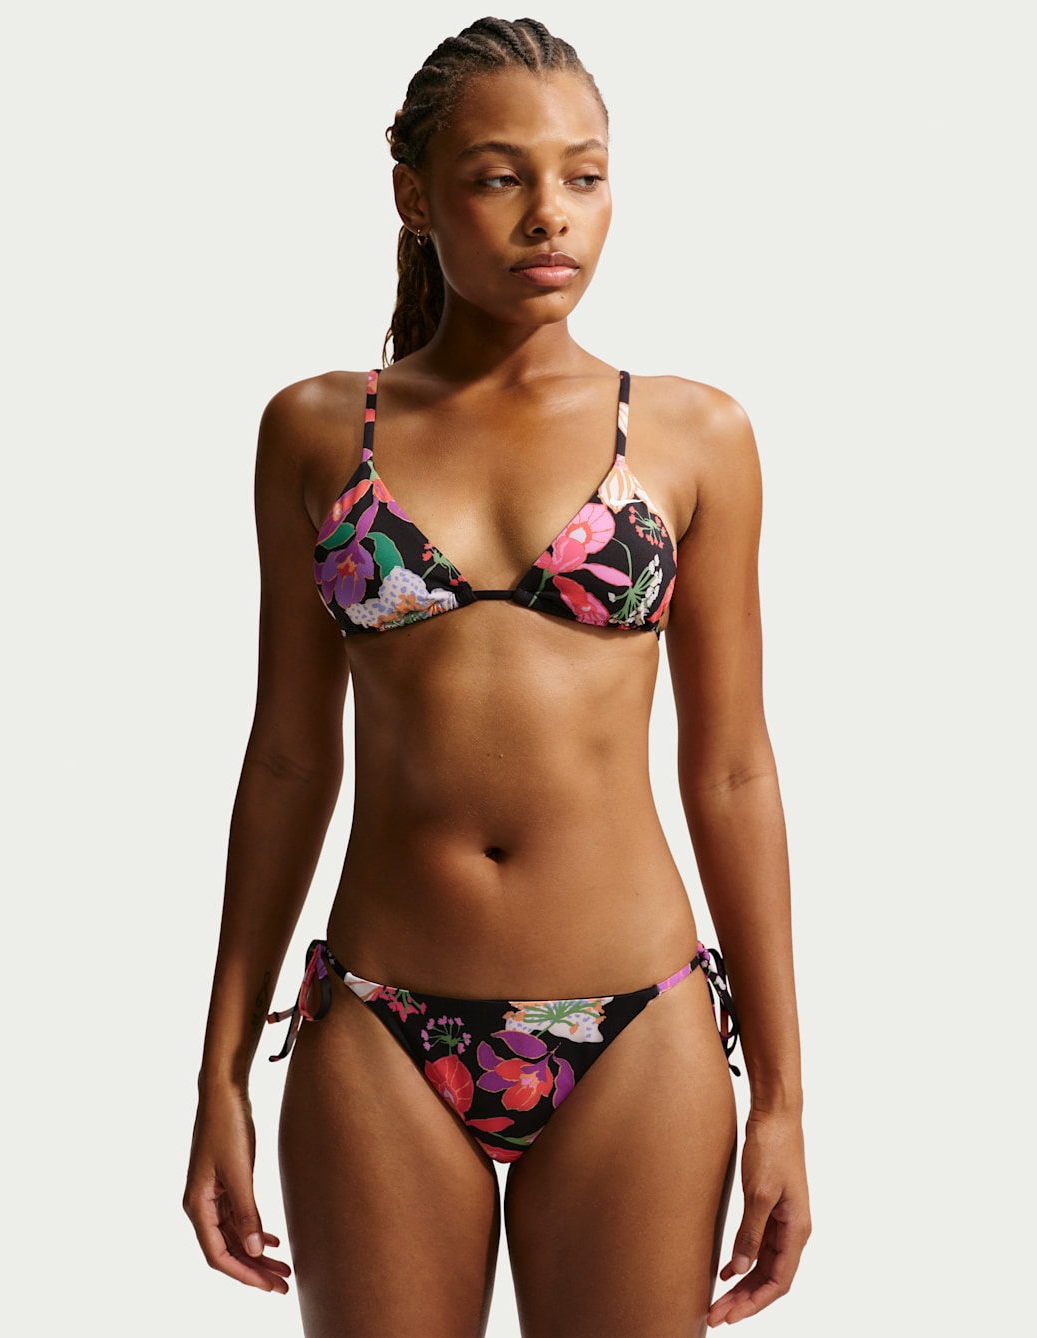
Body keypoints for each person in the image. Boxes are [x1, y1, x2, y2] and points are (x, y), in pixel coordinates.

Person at [183, 16, 810, 1337]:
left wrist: (785, 1102)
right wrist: (220, 1073)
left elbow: (733, 770)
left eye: (584, 175)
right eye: (496, 176)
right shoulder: (317, 430)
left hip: (639, 1023)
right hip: (377, 1024)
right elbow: (288, 759)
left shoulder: (695, 434)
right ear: (414, 197)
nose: (549, 215)